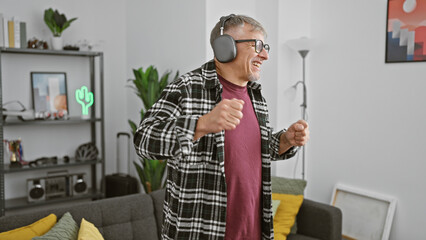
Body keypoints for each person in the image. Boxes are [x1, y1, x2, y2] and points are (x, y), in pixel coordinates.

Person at [134, 14, 310, 240]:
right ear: (225, 47)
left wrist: (285, 140)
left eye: (265, 47)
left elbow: (251, 151)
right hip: (201, 232)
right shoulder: (187, 88)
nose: (265, 55)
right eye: (257, 45)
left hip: (255, 231)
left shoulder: (256, 96)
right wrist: (201, 124)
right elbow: (143, 139)